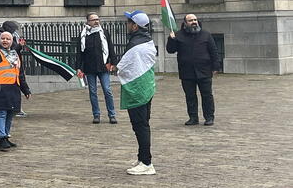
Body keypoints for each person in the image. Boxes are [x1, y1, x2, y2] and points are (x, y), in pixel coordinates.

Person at [117, 11, 157, 175]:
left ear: (135, 25)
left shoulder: (136, 44)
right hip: (146, 87)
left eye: (128, 22)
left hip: (138, 89)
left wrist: (116, 68)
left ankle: (147, 163)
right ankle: (142, 158)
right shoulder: (146, 40)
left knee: (141, 126)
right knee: (141, 125)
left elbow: (125, 65)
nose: (127, 25)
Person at [166, 14, 221, 126]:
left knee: (207, 95)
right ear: (185, 23)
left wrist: (215, 66)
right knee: (190, 96)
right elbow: (170, 50)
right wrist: (171, 39)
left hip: (204, 71)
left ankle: (209, 117)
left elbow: (214, 51)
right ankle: (193, 117)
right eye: (191, 20)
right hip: (187, 72)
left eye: (195, 20)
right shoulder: (178, 35)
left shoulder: (206, 35)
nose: (194, 22)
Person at [75, 12, 118, 124]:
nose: (96, 21)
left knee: (107, 90)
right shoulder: (83, 35)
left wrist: (113, 63)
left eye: (97, 19)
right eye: (93, 20)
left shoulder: (104, 33)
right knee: (93, 91)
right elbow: (80, 53)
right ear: (88, 22)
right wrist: (78, 68)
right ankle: (96, 114)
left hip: (103, 66)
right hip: (89, 67)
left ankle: (112, 114)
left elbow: (111, 48)